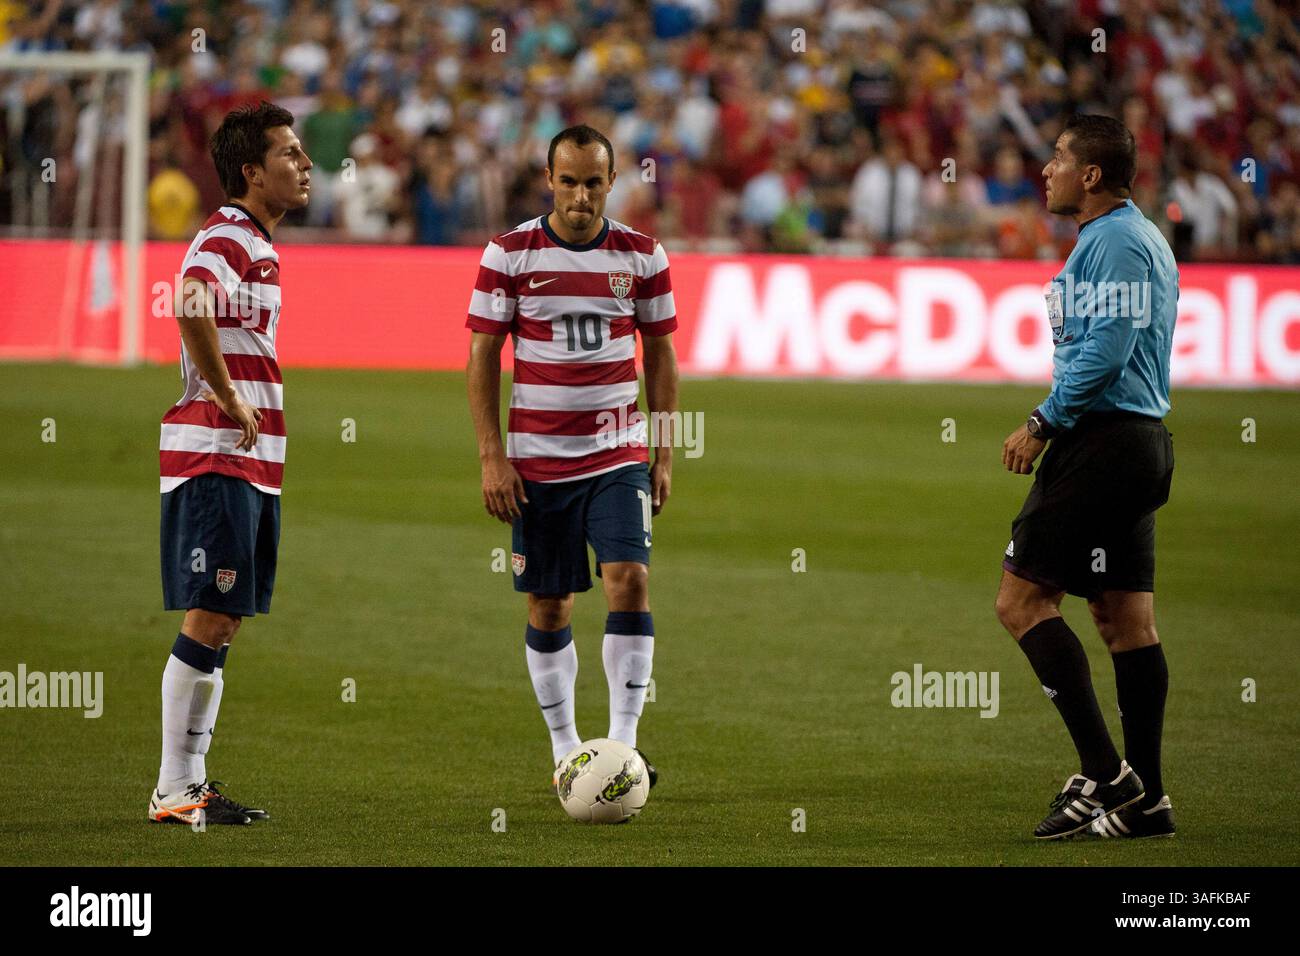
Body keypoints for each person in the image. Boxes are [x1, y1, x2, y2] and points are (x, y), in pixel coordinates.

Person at [465, 125, 678, 788]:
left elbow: (661, 355)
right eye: (569, 182)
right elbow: (482, 357)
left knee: (630, 581)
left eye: (593, 182)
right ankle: (566, 750)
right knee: (549, 607)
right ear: (549, 180)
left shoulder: (643, 256)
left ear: (611, 182)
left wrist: (664, 451)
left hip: (616, 454)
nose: (581, 196)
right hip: (536, 463)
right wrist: (490, 456)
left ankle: (621, 747)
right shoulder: (509, 254)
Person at [996, 114, 1179, 840]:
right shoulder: (1122, 238)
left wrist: (1042, 423)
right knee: (1125, 621)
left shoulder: (1117, 243)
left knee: (1021, 602)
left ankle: (1110, 776)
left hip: (1103, 443)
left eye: (1060, 158)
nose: (1047, 169)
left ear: (1092, 175)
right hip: (1132, 445)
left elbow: (1105, 351)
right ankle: (1151, 802)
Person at [150, 102, 312, 825]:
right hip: (218, 456)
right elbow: (188, 302)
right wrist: (228, 396)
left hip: (249, 462)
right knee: (212, 612)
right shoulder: (229, 235)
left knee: (225, 616)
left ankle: (188, 785)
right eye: (290, 154)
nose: (305, 166)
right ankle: (176, 789)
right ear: (252, 171)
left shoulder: (256, 244)